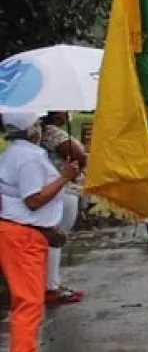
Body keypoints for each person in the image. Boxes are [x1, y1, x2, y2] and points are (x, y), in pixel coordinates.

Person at [0, 111, 78, 352]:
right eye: (37, 123)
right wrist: (65, 178)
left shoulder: (18, 153)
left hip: (23, 234)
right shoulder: (28, 157)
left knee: (28, 302)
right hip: (22, 235)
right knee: (28, 304)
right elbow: (33, 199)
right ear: (31, 129)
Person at [38, 112, 85, 305]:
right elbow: (78, 155)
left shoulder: (41, 132)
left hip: (55, 190)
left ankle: (51, 283)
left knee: (53, 239)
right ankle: (51, 286)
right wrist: (79, 168)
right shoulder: (52, 133)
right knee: (56, 239)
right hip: (63, 190)